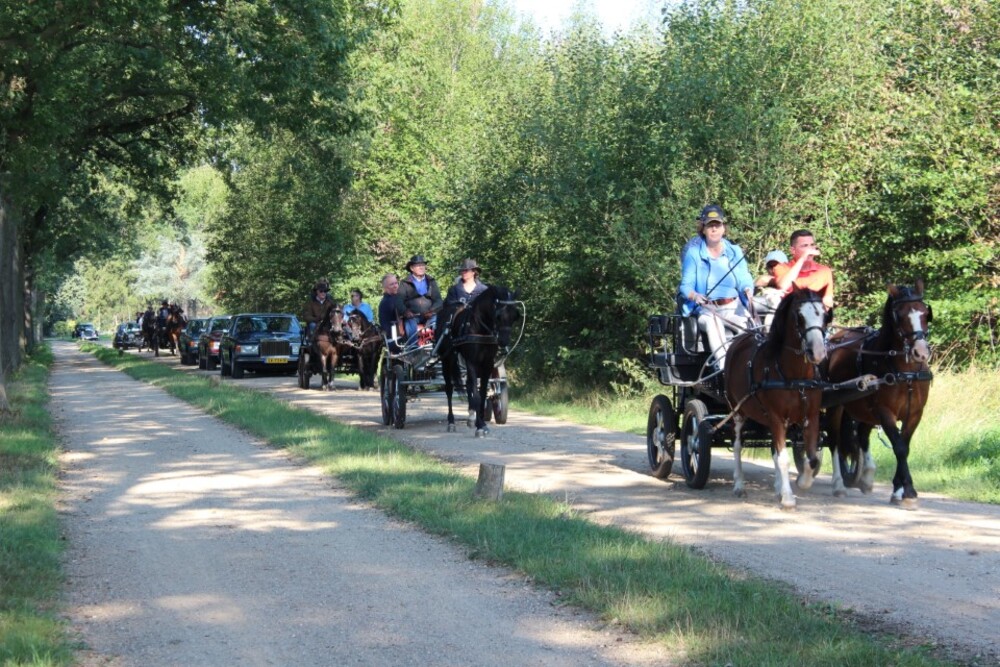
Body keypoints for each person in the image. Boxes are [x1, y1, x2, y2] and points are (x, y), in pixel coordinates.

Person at [678, 205, 754, 371]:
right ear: (703, 229)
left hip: (733, 307)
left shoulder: (734, 251)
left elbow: (744, 277)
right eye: (710, 225)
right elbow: (685, 285)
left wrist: (747, 288)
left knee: (751, 329)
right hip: (707, 309)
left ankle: (748, 369)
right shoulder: (694, 253)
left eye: (717, 225)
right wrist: (695, 296)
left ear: (723, 228)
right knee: (714, 323)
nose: (714, 229)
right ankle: (725, 369)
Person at [772, 229, 834, 310]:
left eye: (812, 245)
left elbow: (828, 299)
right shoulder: (781, 268)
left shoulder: (824, 271)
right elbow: (783, 286)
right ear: (793, 250)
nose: (810, 249)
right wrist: (803, 258)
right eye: (805, 246)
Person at [396, 255, 443, 345]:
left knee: (437, 322)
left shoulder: (431, 281)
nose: (421, 267)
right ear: (412, 268)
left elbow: (438, 300)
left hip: (429, 315)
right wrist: (405, 312)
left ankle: (435, 346)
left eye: (423, 265)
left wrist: (432, 310)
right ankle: (413, 348)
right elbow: (398, 301)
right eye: (418, 265)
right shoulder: (405, 283)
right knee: (410, 325)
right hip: (413, 316)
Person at [752, 250, 788, 329]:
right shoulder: (764, 281)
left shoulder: (793, 277)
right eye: (770, 266)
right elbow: (749, 295)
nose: (773, 269)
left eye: (777, 265)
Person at [378, 273, 399, 341]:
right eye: (391, 284)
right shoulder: (385, 303)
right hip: (396, 337)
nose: (395, 286)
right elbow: (385, 326)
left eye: (396, 283)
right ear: (385, 288)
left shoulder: (400, 297)